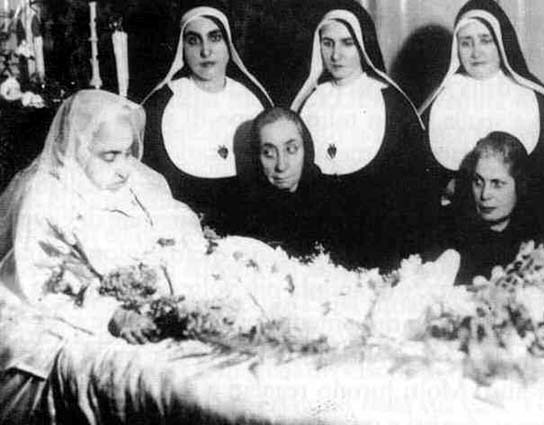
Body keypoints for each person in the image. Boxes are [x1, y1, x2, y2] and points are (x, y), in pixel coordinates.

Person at [0, 90, 205, 424]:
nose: (124, 169)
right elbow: (41, 284)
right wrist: (111, 313)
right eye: (110, 156)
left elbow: (177, 236)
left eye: (128, 153)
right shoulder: (47, 196)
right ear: (79, 147)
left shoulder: (139, 182)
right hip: (74, 309)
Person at [291, 3, 430, 270]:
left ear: (364, 45)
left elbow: (414, 191)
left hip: (378, 247)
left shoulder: (393, 104)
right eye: (328, 43)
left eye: (347, 43)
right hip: (316, 245)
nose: (336, 55)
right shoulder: (308, 101)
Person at [420, 0, 544, 224]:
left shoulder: (541, 104)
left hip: (524, 225)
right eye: (466, 43)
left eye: (486, 40)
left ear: (502, 43)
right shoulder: (438, 103)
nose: (476, 52)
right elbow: (420, 175)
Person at [142, 4, 273, 232]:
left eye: (215, 38)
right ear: (181, 48)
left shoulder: (254, 99)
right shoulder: (159, 105)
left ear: (229, 44)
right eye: (194, 41)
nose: (205, 51)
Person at [431, 132, 544, 284]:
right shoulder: (447, 234)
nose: (484, 195)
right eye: (478, 182)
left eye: (497, 184)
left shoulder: (538, 240)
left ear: (520, 185)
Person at [232, 107, 345, 259]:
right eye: (268, 153)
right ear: (256, 156)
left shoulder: (336, 204)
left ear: (307, 149)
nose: (281, 165)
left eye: (291, 149)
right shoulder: (243, 211)